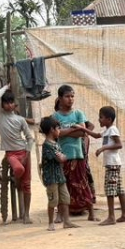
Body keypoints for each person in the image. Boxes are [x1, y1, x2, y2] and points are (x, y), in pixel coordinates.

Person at [52, 85, 97, 221]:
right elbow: (56, 134)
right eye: (67, 96)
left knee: (83, 183)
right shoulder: (55, 116)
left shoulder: (78, 114)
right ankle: (60, 214)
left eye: (72, 96)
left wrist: (66, 131)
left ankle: (91, 213)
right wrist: (73, 129)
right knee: (62, 185)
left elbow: (82, 132)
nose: (70, 99)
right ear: (60, 98)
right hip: (62, 157)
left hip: (78, 155)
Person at [0, 90, 35, 224]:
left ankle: (26, 215)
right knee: (19, 169)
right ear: (2, 104)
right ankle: (16, 179)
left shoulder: (20, 120)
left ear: (15, 104)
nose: (9, 105)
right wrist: (6, 87)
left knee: (27, 185)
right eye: (6, 102)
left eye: (11, 102)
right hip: (11, 154)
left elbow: (30, 138)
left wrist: (27, 154)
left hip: (24, 152)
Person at [86, 105, 125, 225]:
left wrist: (103, 148)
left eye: (101, 117)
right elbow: (96, 135)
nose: (99, 119)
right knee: (119, 189)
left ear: (109, 119)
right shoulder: (107, 130)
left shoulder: (113, 130)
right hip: (114, 164)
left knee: (110, 189)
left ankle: (111, 217)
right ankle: (124, 215)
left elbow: (119, 144)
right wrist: (84, 130)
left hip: (112, 164)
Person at [39, 116, 76, 231]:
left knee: (65, 198)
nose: (59, 131)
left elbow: (62, 157)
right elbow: (60, 158)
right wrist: (63, 157)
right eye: (58, 128)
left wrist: (63, 157)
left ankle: (67, 221)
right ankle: (50, 223)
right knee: (53, 200)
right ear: (52, 129)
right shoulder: (47, 145)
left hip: (60, 176)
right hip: (51, 178)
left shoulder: (55, 143)